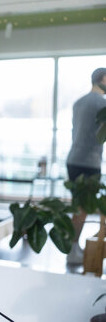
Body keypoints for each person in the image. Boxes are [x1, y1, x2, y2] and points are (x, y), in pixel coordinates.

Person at [65, 67, 106, 265]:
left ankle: (74, 248)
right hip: (88, 162)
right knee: (82, 209)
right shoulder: (101, 104)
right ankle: (72, 251)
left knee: (78, 207)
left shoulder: (78, 102)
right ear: (103, 79)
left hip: (73, 159)